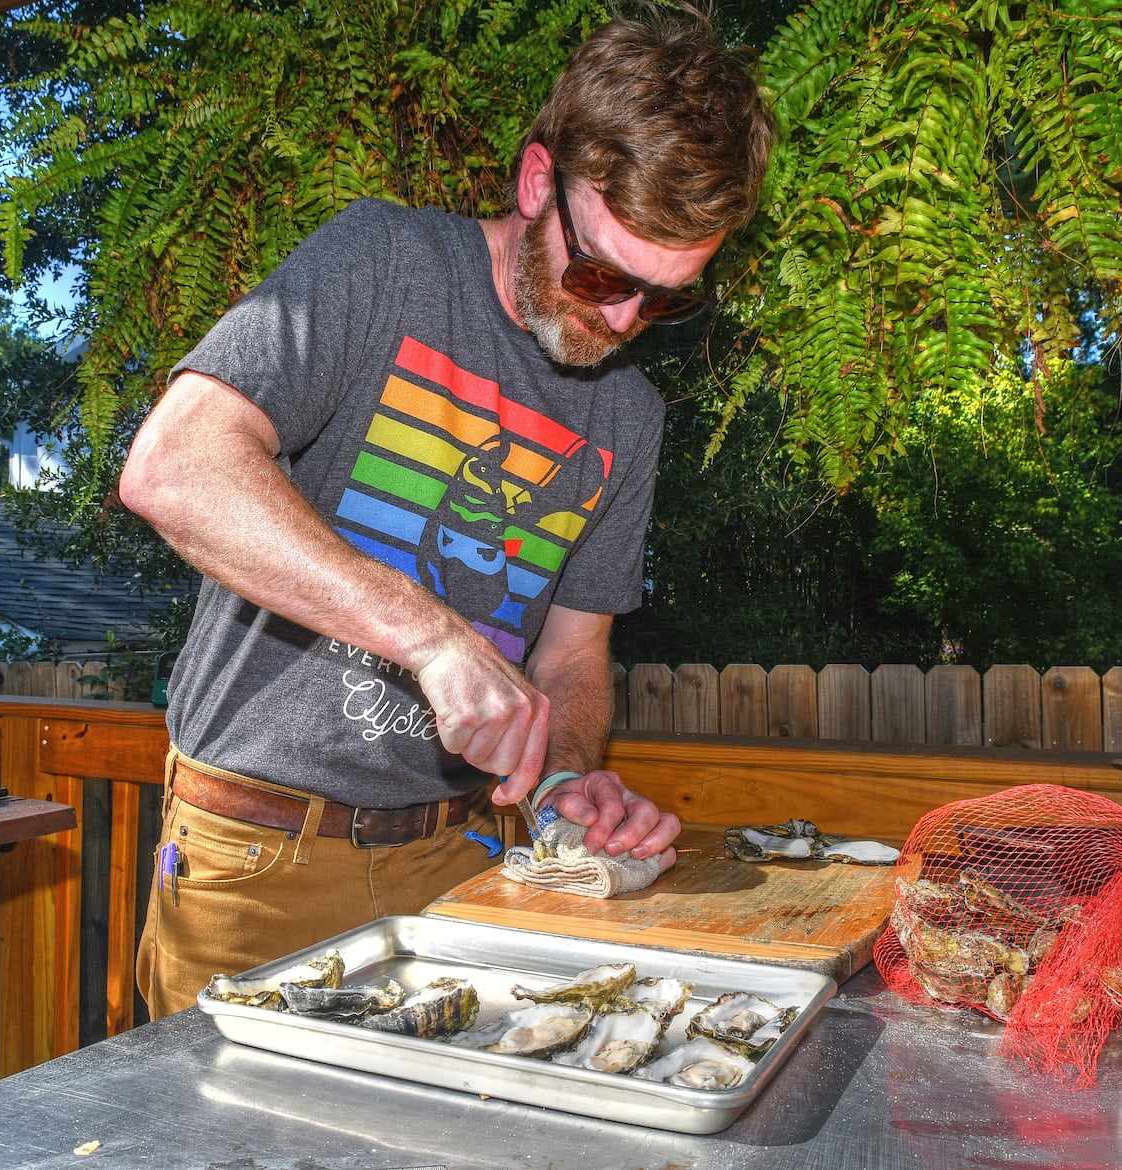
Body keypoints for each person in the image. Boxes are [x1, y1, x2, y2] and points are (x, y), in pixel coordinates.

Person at [119, 1, 775, 1018]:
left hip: (469, 858)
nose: (621, 320)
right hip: (259, 859)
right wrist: (429, 637)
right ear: (534, 182)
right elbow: (175, 467)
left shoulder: (629, 417)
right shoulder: (382, 263)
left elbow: (569, 663)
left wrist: (562, 785)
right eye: (601, 272)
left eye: (665, 299)